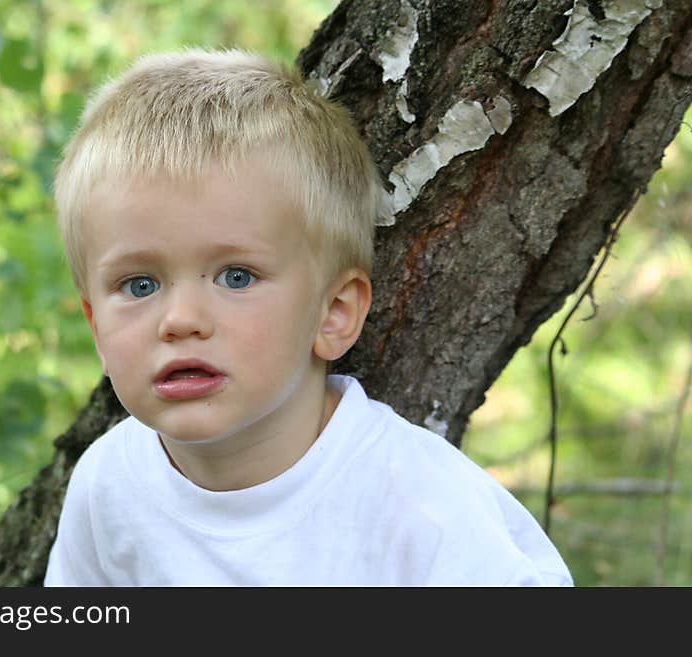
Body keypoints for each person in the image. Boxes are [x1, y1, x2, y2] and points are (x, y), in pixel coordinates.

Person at [44, 49, 573, 586]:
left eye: (236, 276)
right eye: (140, 285)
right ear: (97, 331)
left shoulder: (420, 506)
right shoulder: (107, 488)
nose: (180, 320)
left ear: (334, 313)